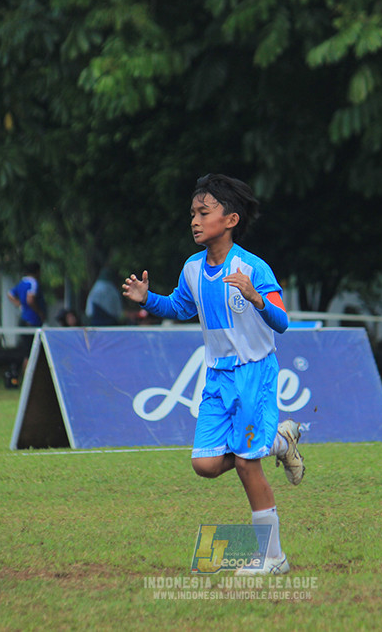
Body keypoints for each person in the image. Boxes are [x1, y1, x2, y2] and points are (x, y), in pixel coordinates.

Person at [122, 173, 303, 575]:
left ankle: (273, 558)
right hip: (218, 379)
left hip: (254, 374)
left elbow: (283, 321)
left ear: (231, 220)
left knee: (244, 464)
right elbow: (179, 308)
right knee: (204, 464)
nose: (195, 220)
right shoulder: (191, 268)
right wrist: (147, 299)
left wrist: (257, 298)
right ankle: (279, 441)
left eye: (204, 212)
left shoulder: (252, 267)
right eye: (193, 213)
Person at [6, 262, 46, 384]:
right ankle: (29, 381)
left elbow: (10, 294)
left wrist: (19, 305)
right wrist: (39, 312)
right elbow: (30, 299)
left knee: (27, 352)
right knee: (30, 353)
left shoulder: (22, 283)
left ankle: (28, 380)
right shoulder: (32, 283)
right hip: (31, 321)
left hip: (24, 320)